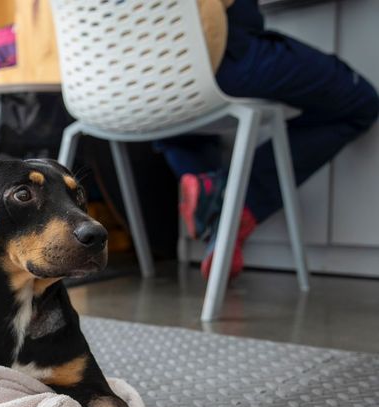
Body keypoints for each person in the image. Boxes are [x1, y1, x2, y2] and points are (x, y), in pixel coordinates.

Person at [158, 0, 379, 280]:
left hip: (132, 86)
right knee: (360, 103)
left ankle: (209, 195)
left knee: (170, 114)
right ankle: (236, 202)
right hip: (220, 56)